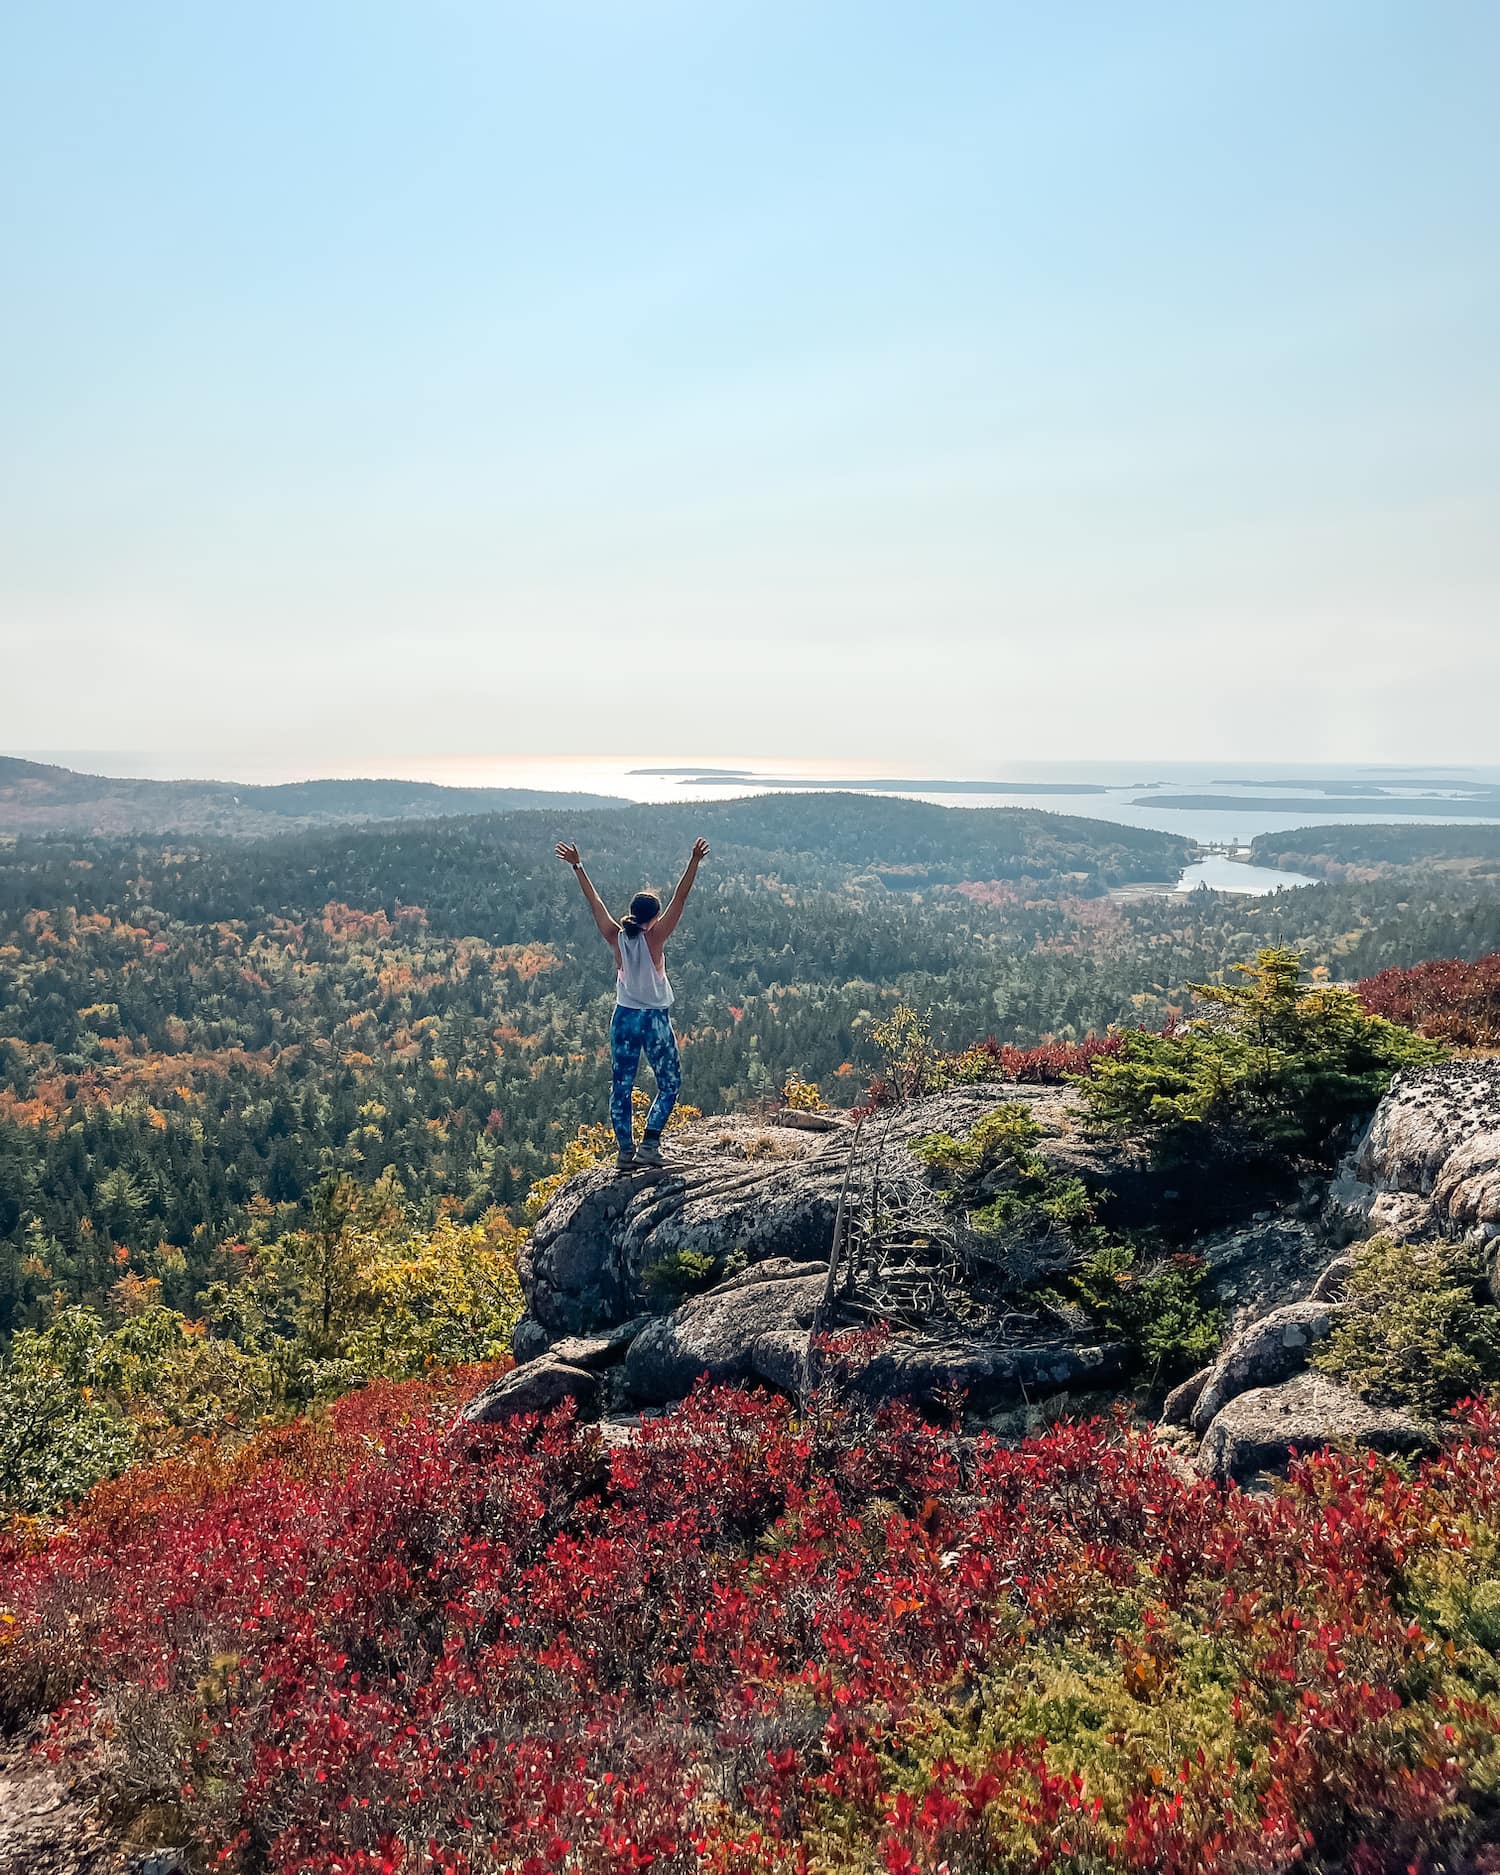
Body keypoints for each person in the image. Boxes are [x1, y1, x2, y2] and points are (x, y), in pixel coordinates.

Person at [556, 837, 710, 1169]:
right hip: (653, 1019)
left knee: (622, 1085)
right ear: (653, 917)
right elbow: (680, 899)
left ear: (631, 914)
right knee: (669, 1083)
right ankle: (650, 1145)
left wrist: (577, 865)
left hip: (624, 1017)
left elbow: (594, 901)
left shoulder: (616, 936)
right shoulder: (655, 937)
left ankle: (625, 1152)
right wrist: (694, 861)